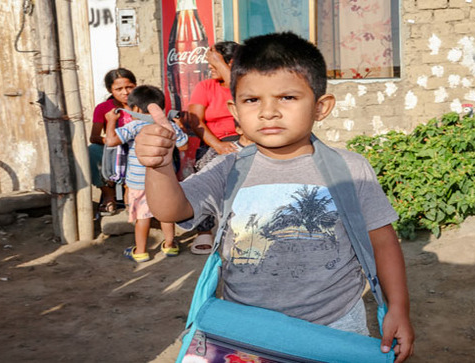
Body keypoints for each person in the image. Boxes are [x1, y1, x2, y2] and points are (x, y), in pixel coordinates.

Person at [135, 32, 414, 360]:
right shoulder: (228, 168)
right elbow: (170, 210)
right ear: (234, 110)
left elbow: (383, 241)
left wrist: (398, 307)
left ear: (321, 107)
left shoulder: (350, 169)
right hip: (247, 329)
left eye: (287, 98)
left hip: (336, 326)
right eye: (252, 100)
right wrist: (158, 167)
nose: (269, 112)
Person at [104, 85, 188, 262]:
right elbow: (184, 145)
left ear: (135, 109)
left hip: (138, 182)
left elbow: (111, 141)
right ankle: (170, 246)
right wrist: (178, 127)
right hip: (164, 181)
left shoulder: (134, 125)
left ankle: (141, 251)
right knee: (167, 214)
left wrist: (111, 120)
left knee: (142, 218)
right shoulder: (168, 125)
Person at [184, 41, 240, 254]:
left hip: (245, 138)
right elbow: (195, 120)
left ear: (230, 62)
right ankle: (204, 230)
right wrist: (218, 145)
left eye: (213, 62)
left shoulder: (247, 84)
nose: (209, 67)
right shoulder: (205, 87)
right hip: (214, 141)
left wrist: (227, 71)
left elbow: (245, 98)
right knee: (205, 171)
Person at [88, 68, 136, 216]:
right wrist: (117, 142)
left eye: (129, 87)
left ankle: (132, 194)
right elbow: (94, 137)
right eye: (119, 89)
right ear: (110, 89)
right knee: (92, 151)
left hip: (137, 147)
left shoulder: (142, 105)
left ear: (135, 85)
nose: (125, 92)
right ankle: (108, 194)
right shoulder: (103, 108)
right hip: (113, 148)